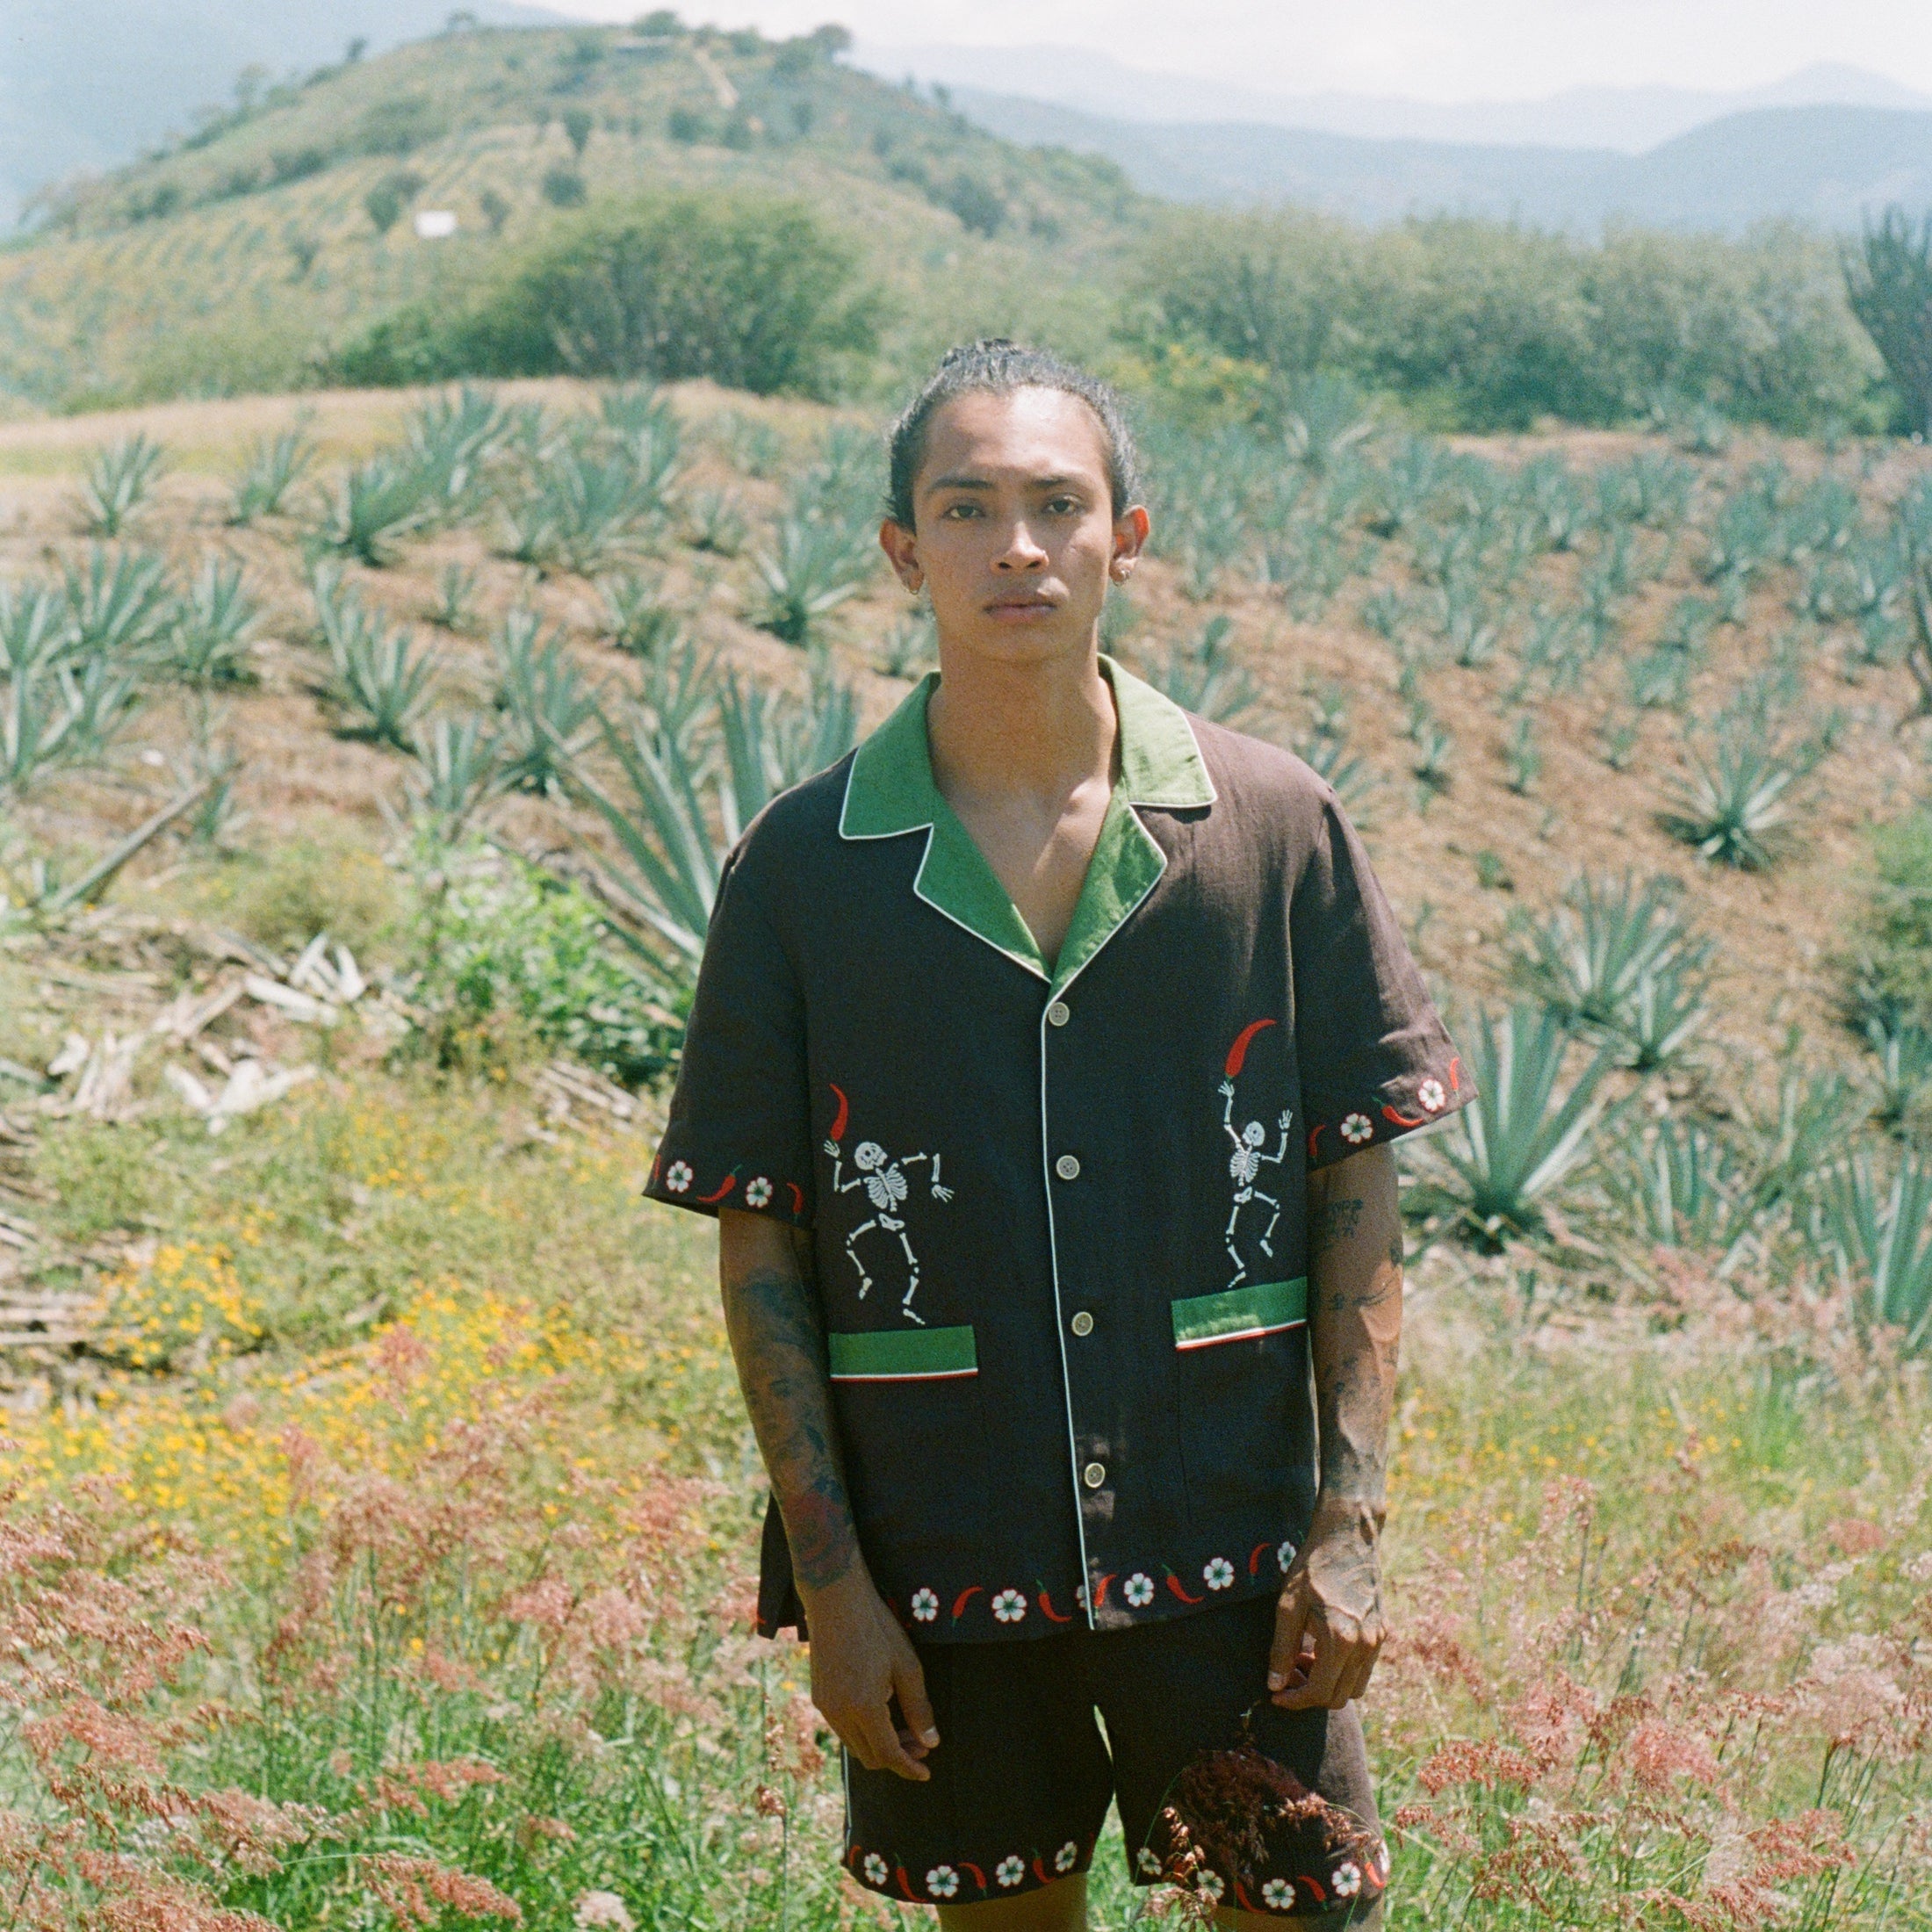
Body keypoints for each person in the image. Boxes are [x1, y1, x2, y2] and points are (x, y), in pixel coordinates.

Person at [643, 341, 1468, 1928]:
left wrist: (1348, 1532)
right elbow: (767, 1239)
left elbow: (1355, 1182)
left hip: (1230, 1552)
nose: (1015, 547)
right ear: (904, 551)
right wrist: (834, 1589)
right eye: (966, 508)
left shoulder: (1271, 825)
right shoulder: (804, 872)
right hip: (940, 1561)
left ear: (1125, 538)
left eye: (1056, 505)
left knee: (1302, 1915)